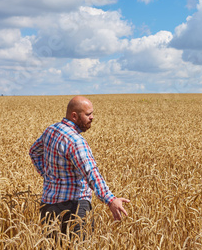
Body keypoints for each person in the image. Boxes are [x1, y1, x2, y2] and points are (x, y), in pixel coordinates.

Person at [29, 96, 129, 239]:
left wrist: (47, 175)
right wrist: (110, 200)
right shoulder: (76, 141)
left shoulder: (51, 130)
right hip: (75, 207)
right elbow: (91, 173)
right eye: (88, 114)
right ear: (74, 116)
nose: (92, 117)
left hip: (48, 206)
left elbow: (34, 152)